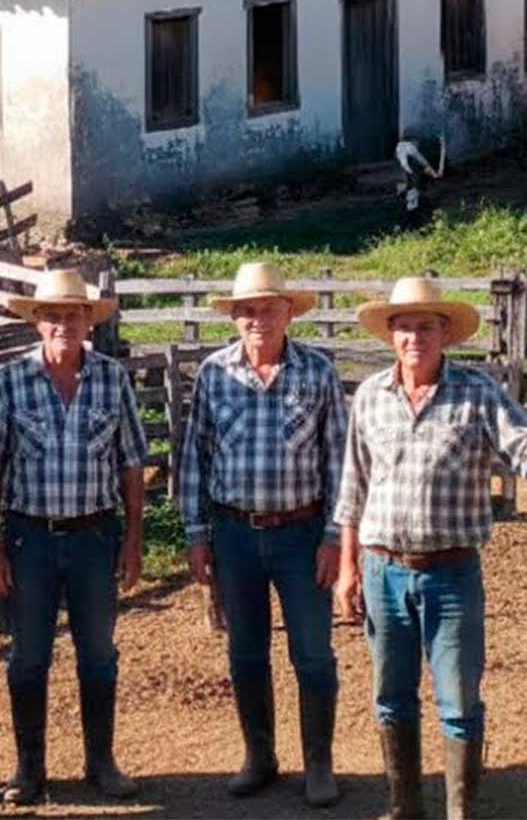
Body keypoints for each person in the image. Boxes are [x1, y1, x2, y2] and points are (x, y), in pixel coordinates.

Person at [332, 276, 527, 820]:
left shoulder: (476, 391)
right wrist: (348, 570)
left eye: (425, 326)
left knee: (458, 699)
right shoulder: (370, 396)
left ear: (446, 333)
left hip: (450, 572)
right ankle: (405, 805)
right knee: (390, 694)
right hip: (382, 568)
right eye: (403, 327)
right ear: (389, 335)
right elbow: (352, 488)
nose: (413, 337)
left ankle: (460, 811)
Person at [178, 261, 348, 808]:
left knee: (313, 653)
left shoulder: (317, 373)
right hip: (234, 533)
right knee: (246, 651)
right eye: (246, 310)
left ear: (288, 314)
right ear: (234, 318)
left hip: (302, 533)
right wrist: (196, 533)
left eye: (267, 309)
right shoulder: (213, 374)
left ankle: (318, 762)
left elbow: (341, 463)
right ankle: (260, 755)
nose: (257, 319)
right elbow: (194, 460)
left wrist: (335, 538)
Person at [0, 269, 148, 805]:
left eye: (73, 315)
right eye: (52, 315)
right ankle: (29, 769)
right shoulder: (9, 383)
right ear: (36, 323)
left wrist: (133, 538)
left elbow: (131, 463)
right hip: (30, 538)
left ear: (88, 322)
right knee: (28, 657)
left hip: (95, 536)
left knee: (98, 653)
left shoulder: (110, 377)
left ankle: (102, 761)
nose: (62, 325)